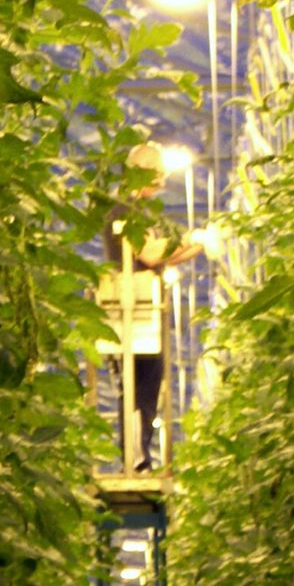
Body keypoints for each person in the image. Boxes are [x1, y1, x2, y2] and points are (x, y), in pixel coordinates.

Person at [97, 144, 205, 471]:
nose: (159, 185)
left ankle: (140, 456)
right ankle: (135, 460)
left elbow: (164, 254)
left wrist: (200, 243)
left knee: (147, 388)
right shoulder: (122, 210)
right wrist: (194, 239)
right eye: (156, 177)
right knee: (133, 388)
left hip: (145, 310)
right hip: (129, 310)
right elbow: (151, 254)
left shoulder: (139, 211)